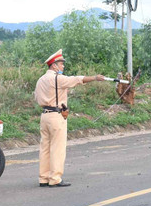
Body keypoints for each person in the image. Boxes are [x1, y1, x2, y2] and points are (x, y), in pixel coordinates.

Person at [33, 49, 105, 188]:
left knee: (45, 148)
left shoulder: (41, 79)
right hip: (56, 115)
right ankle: (55, 178)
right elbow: (77, 79)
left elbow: (37, 97)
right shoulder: (57, 78)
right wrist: (95, 77)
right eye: (61, 64)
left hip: (44, 115)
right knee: (57, 148)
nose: (63, 66)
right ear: (54, 65)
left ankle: (43, 178)